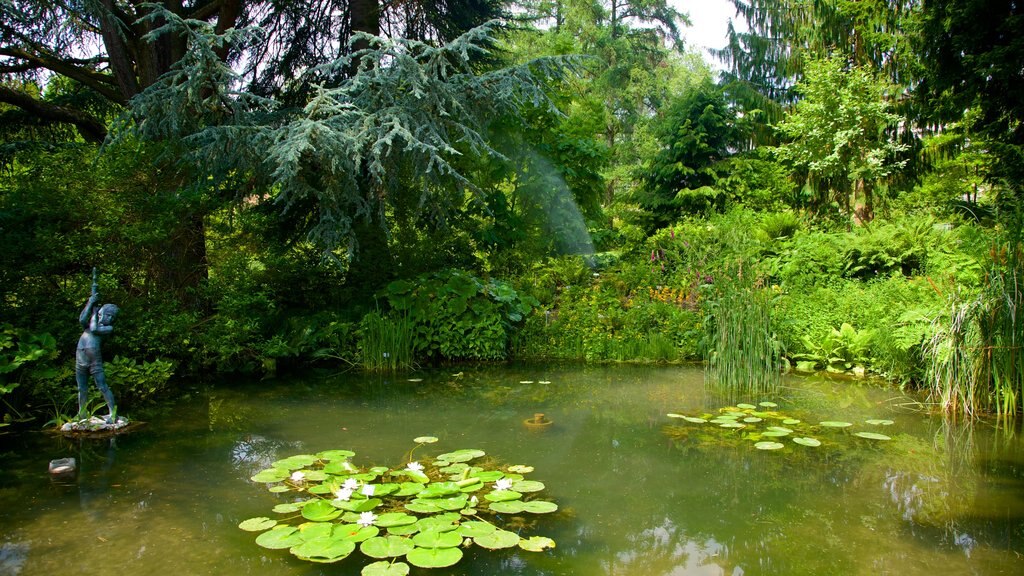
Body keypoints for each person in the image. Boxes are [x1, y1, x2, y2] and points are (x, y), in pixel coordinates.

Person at [76, 271, 119, 423]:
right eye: (108, 315)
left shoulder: (107, 329)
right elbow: (82, 319)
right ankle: (82, 413)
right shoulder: (89, 323)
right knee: (82, 387)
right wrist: (91, 303)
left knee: (101, 385)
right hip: (80, 357)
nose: (109, 319)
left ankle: (113, 414)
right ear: (102, 313)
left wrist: (95, 313)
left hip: (94, 358)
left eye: (112, 318)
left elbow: (94, 329)